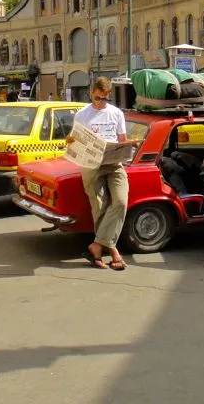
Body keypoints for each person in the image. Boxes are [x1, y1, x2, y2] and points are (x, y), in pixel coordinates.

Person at [67, 77, 139, 271]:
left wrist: (130, 143)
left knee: (121, 202)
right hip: (91, 165)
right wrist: (70, 141)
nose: (101, 103)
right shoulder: (82, 114)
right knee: (99, 206)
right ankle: (112, 250)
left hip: (114, 163)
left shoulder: (116, 113)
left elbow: (122, 139)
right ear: (92, 93)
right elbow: (75, 141)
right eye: (98, 98)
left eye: (105, 99)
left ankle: (96, 246)